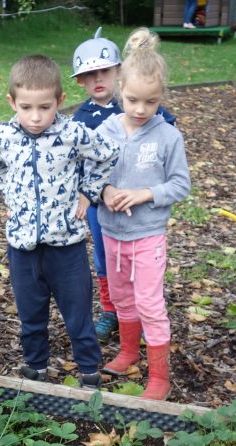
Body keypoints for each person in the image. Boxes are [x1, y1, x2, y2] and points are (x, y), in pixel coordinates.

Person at [0, 55, 119, 388]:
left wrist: (89, 190)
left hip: (67, 246)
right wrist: (12, 196)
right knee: (31, 314)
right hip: (23, 247)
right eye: (26, 107)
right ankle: (36, 369)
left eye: (44, 107)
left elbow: (109, 152)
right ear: (12, 102)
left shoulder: (73, 132)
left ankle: (89, 372)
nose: (35, 117)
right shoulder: (3, 136)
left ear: (59, 101)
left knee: (77, 314)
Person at [95, 28, 191, 401]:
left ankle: (159, 376)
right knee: (120, 296)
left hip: (148, 234)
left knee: (150, 302)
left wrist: (144, 193)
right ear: (119, 89)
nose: (139, 109)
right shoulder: (105, 130)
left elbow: (180, 185)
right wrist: (105, 191)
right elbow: (90, 176)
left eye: (150, 102)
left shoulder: (168, 137)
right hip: (110, 232)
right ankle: (129, 352)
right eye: (132, 99)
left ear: (160, 98)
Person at [70, 28, 177, 342]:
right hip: (100, 203)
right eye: (89, 75)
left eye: (104, 71)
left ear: (119, 72)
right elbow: (78, 163)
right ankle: (111, 309)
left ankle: (142, 309)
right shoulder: (82, 118)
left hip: (140, 203)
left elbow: (165, 126)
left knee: (141, 257)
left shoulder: (132, 104)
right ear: (80, 81)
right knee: (106, 257)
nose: (97, 79)